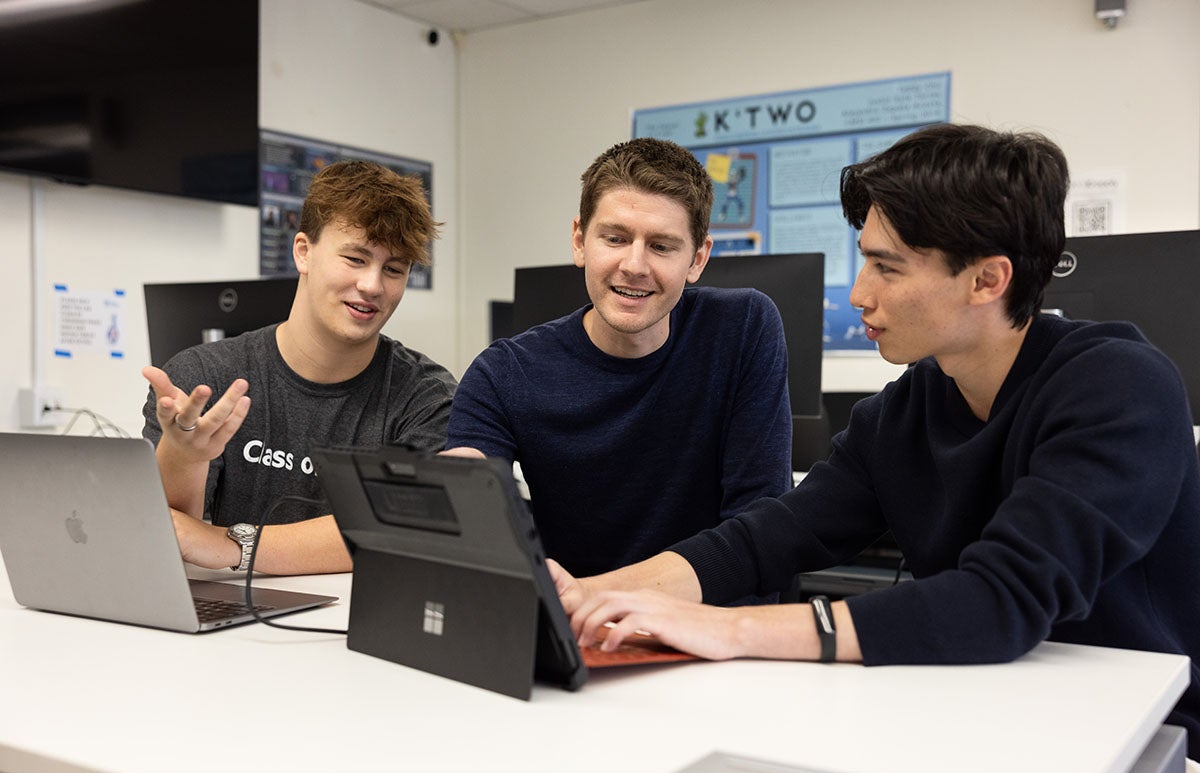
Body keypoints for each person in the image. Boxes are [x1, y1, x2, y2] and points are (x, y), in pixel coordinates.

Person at [555, 124, 1200, 769]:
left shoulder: (1119, 387)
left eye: (887, 267)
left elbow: (1000, 601)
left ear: (986, 280)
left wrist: (726, 630)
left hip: (1137, 737)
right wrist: (588, 599)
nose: (860, 293)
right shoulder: (907, 408)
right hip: (978, 709)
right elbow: (764, 540)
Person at [443, 138, 793, 580]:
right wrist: (463, 489)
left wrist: (606, 596)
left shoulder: (742, 328)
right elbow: (469, 506)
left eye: (662, 246)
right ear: (579, 240)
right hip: (575, 629)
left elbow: (760, 525)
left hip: (712, 622)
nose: (634, 265)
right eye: (615, 238)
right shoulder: (503, 372)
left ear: (697, 259)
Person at [142, 160, 457, 575]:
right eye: (355, 259)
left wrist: (233, 545)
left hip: (346, 629)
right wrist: (183, 457)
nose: (373, 285)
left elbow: (403, 527)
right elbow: (163, 534)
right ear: (303, 252)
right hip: (219, 623)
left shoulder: (425, 397)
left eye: (394, 269)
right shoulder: (203, 378)